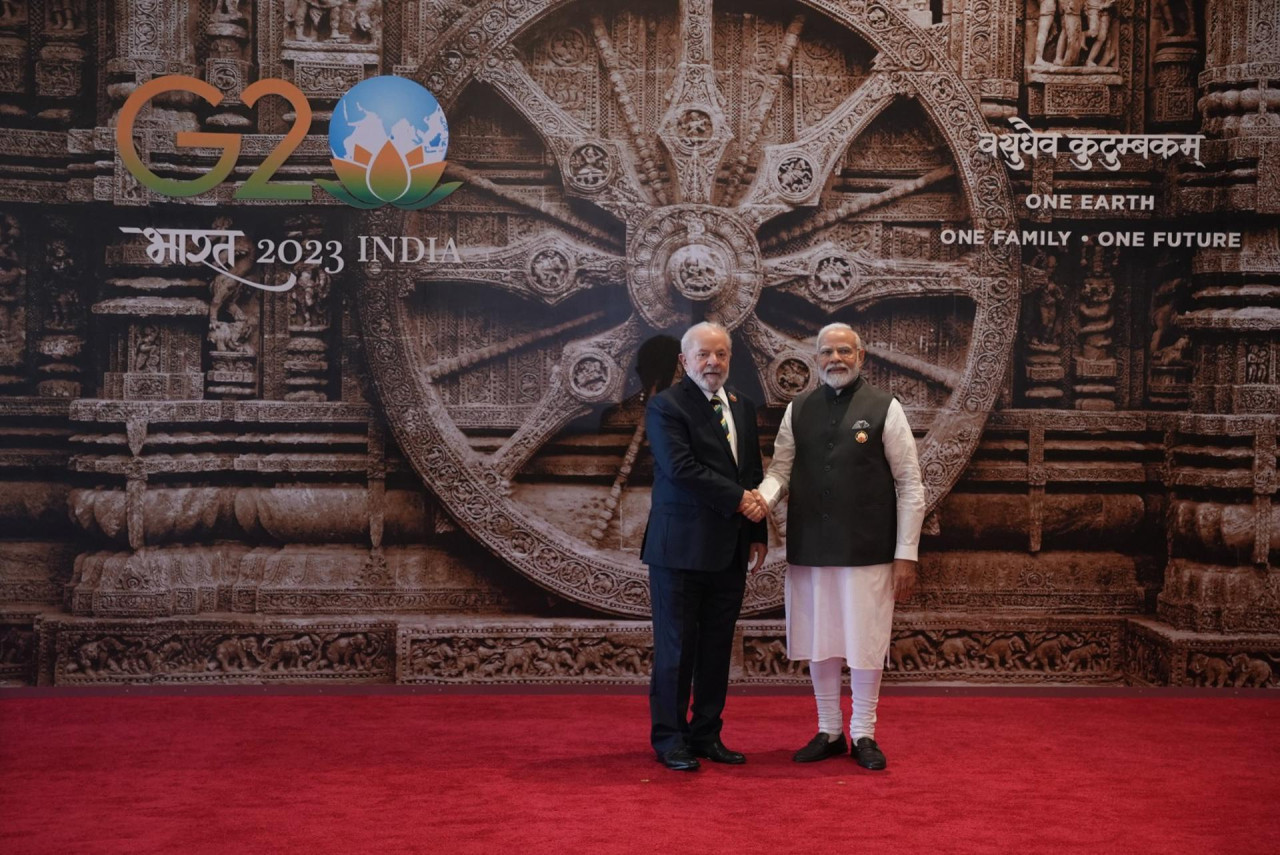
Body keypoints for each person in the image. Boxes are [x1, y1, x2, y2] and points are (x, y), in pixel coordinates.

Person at [755, 323, 925, 770]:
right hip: (810, 547)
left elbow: (910, 485)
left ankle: (864, 732)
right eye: (827, 352)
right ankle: (829, 729)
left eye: (844, 351)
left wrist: (906, 553)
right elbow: (781, 471)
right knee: (820, 639)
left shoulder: (885, 408)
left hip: (868, 548)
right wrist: (762, 499)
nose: (836, 359)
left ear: (861, 355)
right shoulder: (798, 409)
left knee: (867, 641)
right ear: (816, 359)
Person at [643, 321, 768, 772]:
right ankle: (670, 740)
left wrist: (757, 533)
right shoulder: (666, 406)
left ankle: (706, 734)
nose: (712, 362)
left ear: (729, 359)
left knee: (717, 648)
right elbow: (681, 469)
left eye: (721, 354)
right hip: (679, 551)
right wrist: (741, 502)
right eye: (703, 355)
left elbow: (751, 472)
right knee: (677, 649)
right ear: (684, 360)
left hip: (730, 550)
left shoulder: (741, 405)